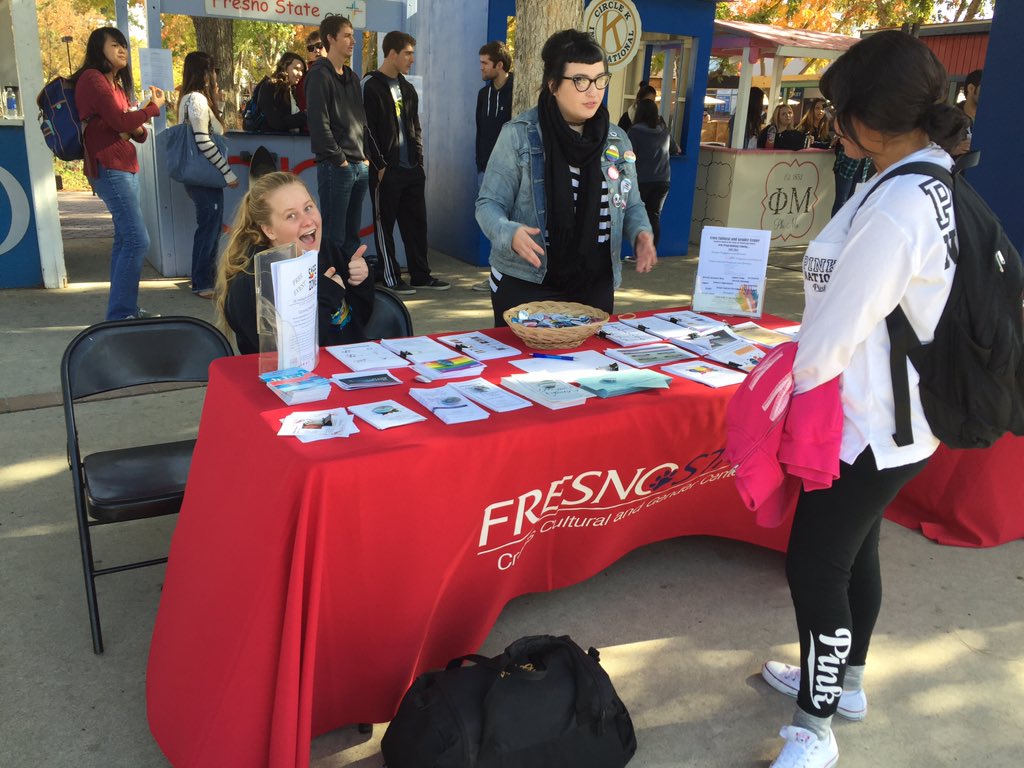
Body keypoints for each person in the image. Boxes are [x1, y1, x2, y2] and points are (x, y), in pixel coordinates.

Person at [757, 30, 968, 768]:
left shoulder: (897, 205)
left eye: (837, 111)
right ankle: (844, 684)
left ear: (869, 119)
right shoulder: (917, 177)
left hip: (868, 422)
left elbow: (836, 332)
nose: (832, 124)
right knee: (854, 553)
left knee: (815, 567)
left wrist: (778, 392)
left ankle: (815, 727)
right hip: (891, 418)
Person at [476, 29, 656, 327]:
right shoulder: (520, 135)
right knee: (523, 369)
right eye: (580, 80)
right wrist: (510, 232)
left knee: (589, 368)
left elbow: (631, 203)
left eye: (600, 80)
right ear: (553, 85)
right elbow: (487, 205)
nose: (594, 91)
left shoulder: (617, 140)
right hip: (528, 279)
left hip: (594, 281)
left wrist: (641, 233)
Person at [215, 171, 374, 354]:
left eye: (308, 208)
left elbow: (357, 320)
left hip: (352, 368)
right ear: (269, 230)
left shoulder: (328, 250)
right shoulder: (251, 282)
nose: (307, 221)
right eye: (291, 216)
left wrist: (360, 281)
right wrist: (325, 295)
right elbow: (284, 355)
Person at [73, 26, 165, 321]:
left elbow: (137, 134)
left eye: (124, 45)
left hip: (126, 167)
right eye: (115, 45)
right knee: (138, 240)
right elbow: (120, 121)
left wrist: (131, 122)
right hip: (109, 168)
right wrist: (151, 109)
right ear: (98, 50)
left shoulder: (116, 86)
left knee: (125, 239)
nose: (122, 50)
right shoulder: (92, 79)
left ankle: (123, 309)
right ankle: (121, 312)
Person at [363, 31, 449, 295]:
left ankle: (421, 275)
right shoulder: (370, 84)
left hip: (411, 169)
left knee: (416, 225)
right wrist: (379, 165)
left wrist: (419, 162)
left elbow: (415, 128)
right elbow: (366, 129)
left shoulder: (408, 88)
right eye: (408, 53)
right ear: (391, 54)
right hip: (386, 171)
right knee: (384, 225)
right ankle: (391, 278)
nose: (412, 59)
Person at [305, 15, 370, 269]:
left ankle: (351, 290)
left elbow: (360, 121)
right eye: (347, 35)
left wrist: (364, 157)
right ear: (330, 38)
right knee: (334, 236)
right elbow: (319, 123)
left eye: (353, 35)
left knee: (352, 237)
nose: (353, 41)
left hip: (358, 165)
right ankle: (332, 290)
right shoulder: (319, 75)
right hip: (337, 166)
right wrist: (339, 158)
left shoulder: (353, 78)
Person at [176, 52, 239, 300]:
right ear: (204, 72)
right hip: (206, 177)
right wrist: (227, 172)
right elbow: (203, 140)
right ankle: (202, 282)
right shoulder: (197, 100)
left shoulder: (187, 99)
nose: (215, 76)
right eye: (212, 70)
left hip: (197, 176)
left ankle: (204, 279)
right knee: (209, 229)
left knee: (208, 227)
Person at [473, 40, 515, 293]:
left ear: (499, 65)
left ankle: (505, 277)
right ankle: (495, 275)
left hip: (511, 171)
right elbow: (480, 131)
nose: (481, 68)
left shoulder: (518, 89)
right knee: (492, 224)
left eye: (484, 63)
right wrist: (480, 162)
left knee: (510, 223)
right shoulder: (483, 94)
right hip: (486, 170)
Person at [627, 99, 679, 249]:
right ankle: (651, 252)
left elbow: (629, 155)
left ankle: (639, 253)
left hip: (641, 180)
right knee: (654, 216)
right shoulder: (664, 130)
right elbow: (676, 149)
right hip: (663, 180)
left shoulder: (635, 131)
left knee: (638, 217)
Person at [258, 52, 308, 133]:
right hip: (271, 142)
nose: (300, 74)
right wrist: (305, 116)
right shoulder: (271, 86)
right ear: (285, 67)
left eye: (302, 71)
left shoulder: (292, 90)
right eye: (296, 68)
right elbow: (276, 122)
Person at [953, 68, 982, 157]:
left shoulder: (992, 120)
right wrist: (952, 149)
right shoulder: (949, 117)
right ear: (971, 88)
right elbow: (930, 145)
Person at [295, 30, 324, 112]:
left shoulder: (341, 73)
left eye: (320, 45)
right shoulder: (301, 78)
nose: (316, 50)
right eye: (311, 48)